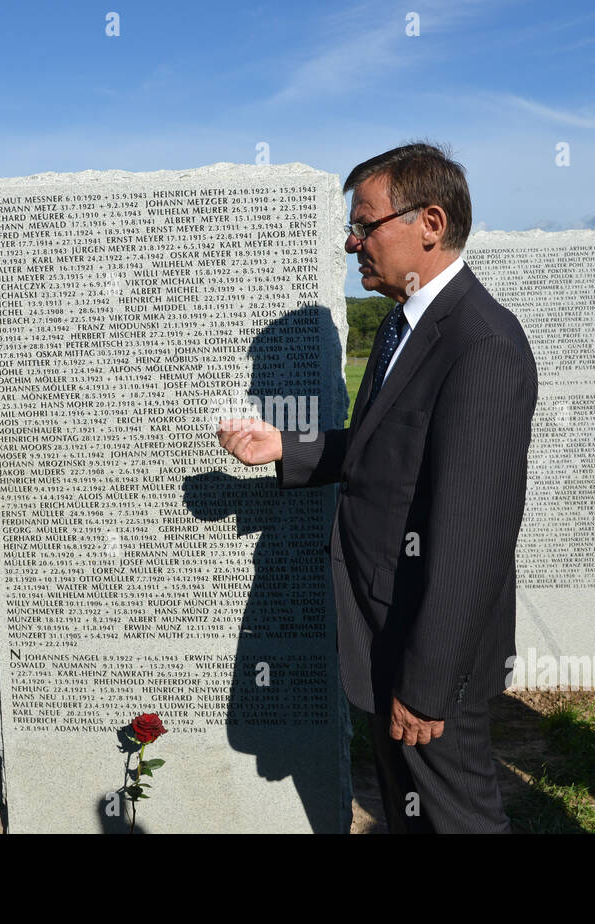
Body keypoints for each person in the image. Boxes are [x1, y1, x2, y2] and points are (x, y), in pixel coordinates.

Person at [217, 143, 537, 832]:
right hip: (390, 628)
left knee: (455, 818)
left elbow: (473, 534)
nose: (350, 241)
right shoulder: (404, 325)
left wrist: (425, 687)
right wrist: (289, 448)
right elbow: (392, 455)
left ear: (429, 220)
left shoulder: (480, 346)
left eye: (365, 224)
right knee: (409, 814)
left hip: (431, 649)